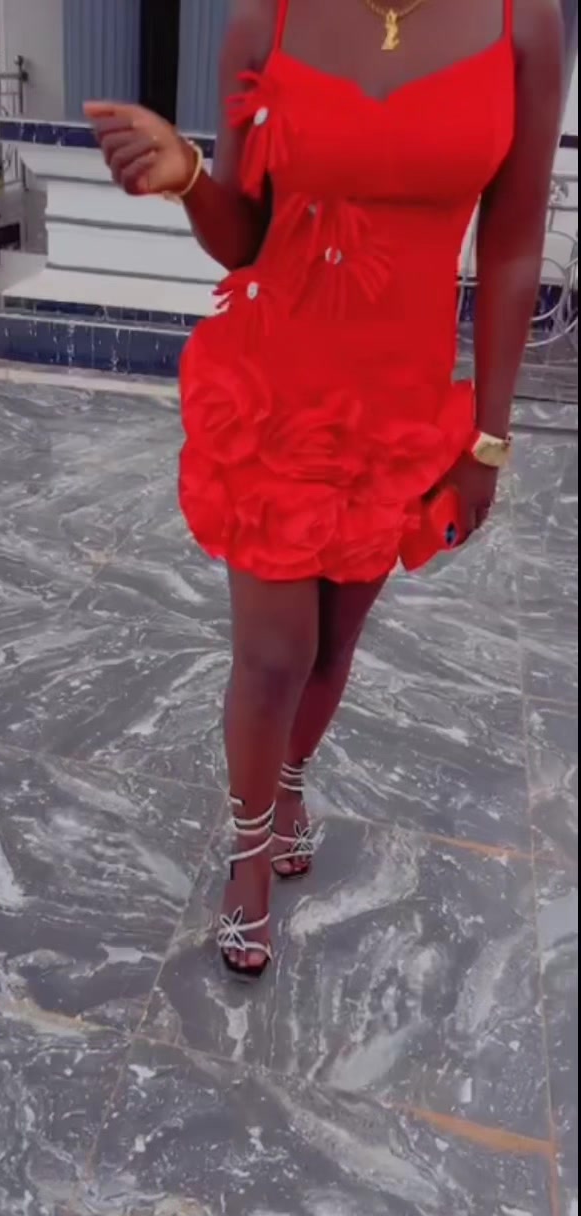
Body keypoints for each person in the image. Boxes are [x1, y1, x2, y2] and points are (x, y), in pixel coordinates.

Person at [86, 0, 563, 977]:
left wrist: (488, 435)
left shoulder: (524, 21)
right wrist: (190, 179)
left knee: (335, 643)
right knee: (275, 655)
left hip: (399, 408)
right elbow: (245, 237)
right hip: (274, 393)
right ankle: (250, 852)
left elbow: (514, 241)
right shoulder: (265, 18)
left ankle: (292, 779)